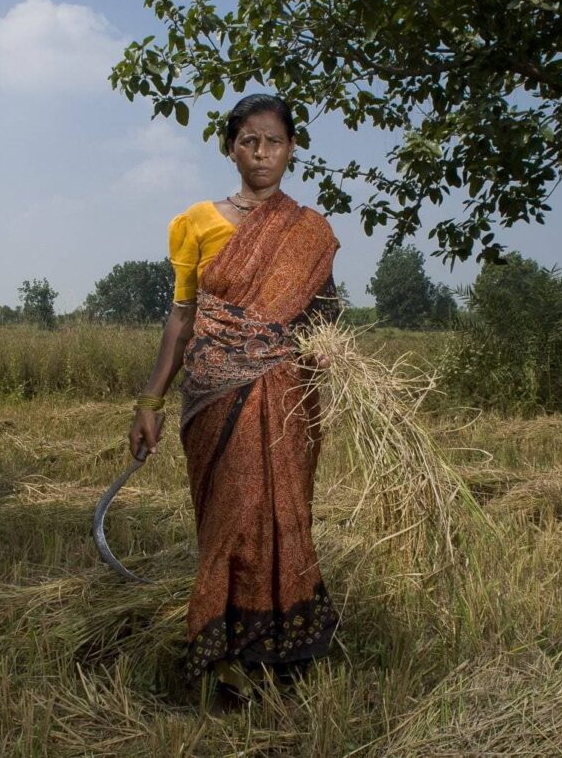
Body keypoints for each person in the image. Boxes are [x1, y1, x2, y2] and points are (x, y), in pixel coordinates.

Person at [127, 93, 341, 696]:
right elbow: (181, 317)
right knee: (227, 520)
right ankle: (220, 649)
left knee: (283, 512)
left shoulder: (310, 232)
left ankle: (279, 647)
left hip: (285, 390)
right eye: (250, 141)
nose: (262, 153)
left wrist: (327, 347)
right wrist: (150, 402)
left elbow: (324, 317)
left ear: (292, 149)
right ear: (230, 148)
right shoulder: (196, 222)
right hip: (214, 392)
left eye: (274, 141)